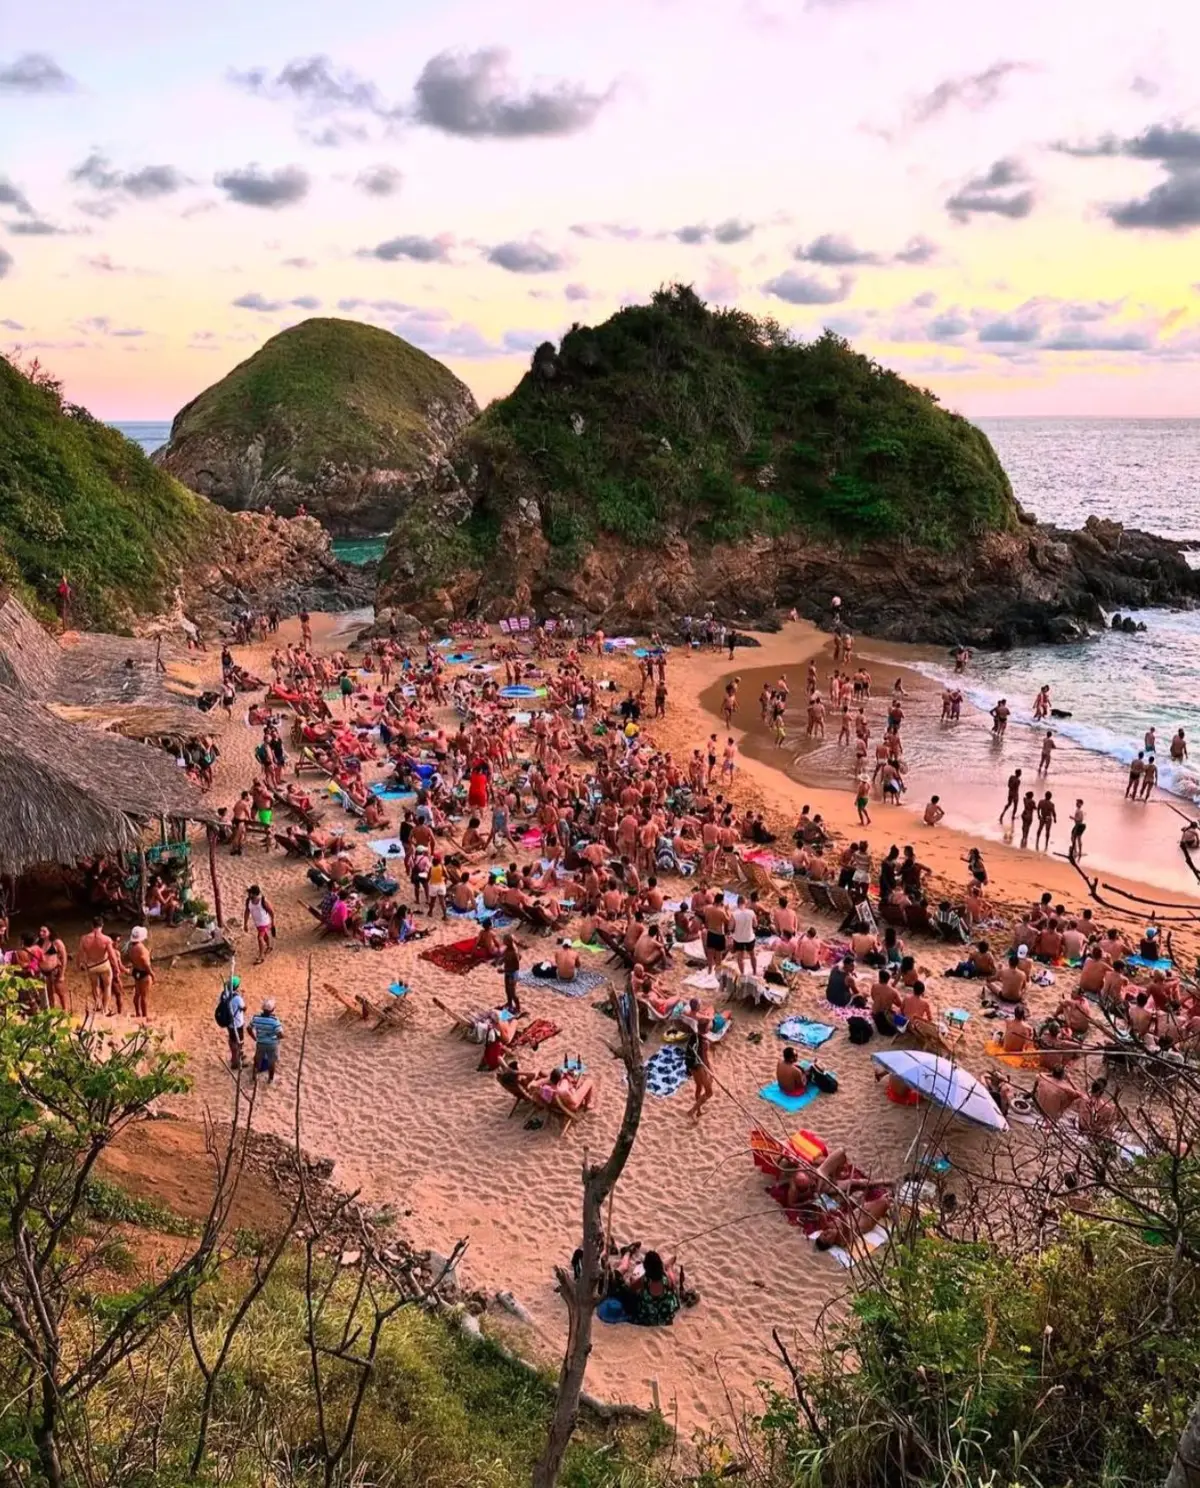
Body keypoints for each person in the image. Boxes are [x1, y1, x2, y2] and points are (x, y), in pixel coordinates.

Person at [78, 917, 119, 1015]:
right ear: (102, 925)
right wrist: (116, 967)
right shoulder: (106, 939)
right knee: (107, 986)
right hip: (104, 964)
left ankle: (98, 1004)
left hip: (92, 965)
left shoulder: (84, 939)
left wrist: (79, 964)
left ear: (92, 925)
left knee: (95, 985)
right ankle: (105, 1008)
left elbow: (80, 953)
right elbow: (112, 955)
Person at [248, 998, 284, 1083]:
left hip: (260, 1043)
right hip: (272, 1044)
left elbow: (249, 1028)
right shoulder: (274, 1021)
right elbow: (281, 1034)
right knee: (271, 1062)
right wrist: (276, 1038)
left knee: (257, 1060)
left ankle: (254, 1077)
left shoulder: (256, 1018)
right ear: (272, 1010)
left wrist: (254, 1038)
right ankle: (270, 1079)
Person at [218, 974, 246, 1069]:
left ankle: (236, 1056)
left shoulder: (223, 994)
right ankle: (236, 1061)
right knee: (238, 1042)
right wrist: (241, 996)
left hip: (229, 1023)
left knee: (232, 1040)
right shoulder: (237, 998)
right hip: (237, 1023)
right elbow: (244, 1008)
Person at [127, 925, 154, 1020]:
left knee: (137, 993)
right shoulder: (141, 948)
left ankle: (138, 1012)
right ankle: (145, 1015)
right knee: (144, 996)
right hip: (144, 972)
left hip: (136, 971)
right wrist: (151, 973)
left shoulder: (131, 948)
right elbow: (145, 963)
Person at [243, 885, 276, 963]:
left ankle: (261, 956)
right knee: (264, 936)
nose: (249, 894)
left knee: (260, 938)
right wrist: (245, 923)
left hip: (264, 922)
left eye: (250, 893)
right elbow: (247, 912)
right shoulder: (248, 901)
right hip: (257, 923)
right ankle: (269, 946)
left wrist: (273, 922)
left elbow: (271, 911)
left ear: (255, 894)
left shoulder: (262, 901)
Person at [731, 894, 759, 978]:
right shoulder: (751, 912)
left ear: (737, 903)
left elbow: (730, 927)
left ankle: (742, 974)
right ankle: (754, 972)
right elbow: (755, 924)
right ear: (745, 902)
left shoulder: (734, 914)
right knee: (752, 955)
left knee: (740, 957)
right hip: (749, 937)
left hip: (738, 938)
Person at [502, 934, 522, 1014]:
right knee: (507, 990)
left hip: (513, 973)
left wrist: (503, 970)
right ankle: (509, 1003)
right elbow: (506, 957)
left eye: (505, 941)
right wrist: (500, 961)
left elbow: (516, 967)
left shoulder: (514, 951)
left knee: (512, 993)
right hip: (508, 971)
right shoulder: (508, 948)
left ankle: (518, 1008)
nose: (503, 942)